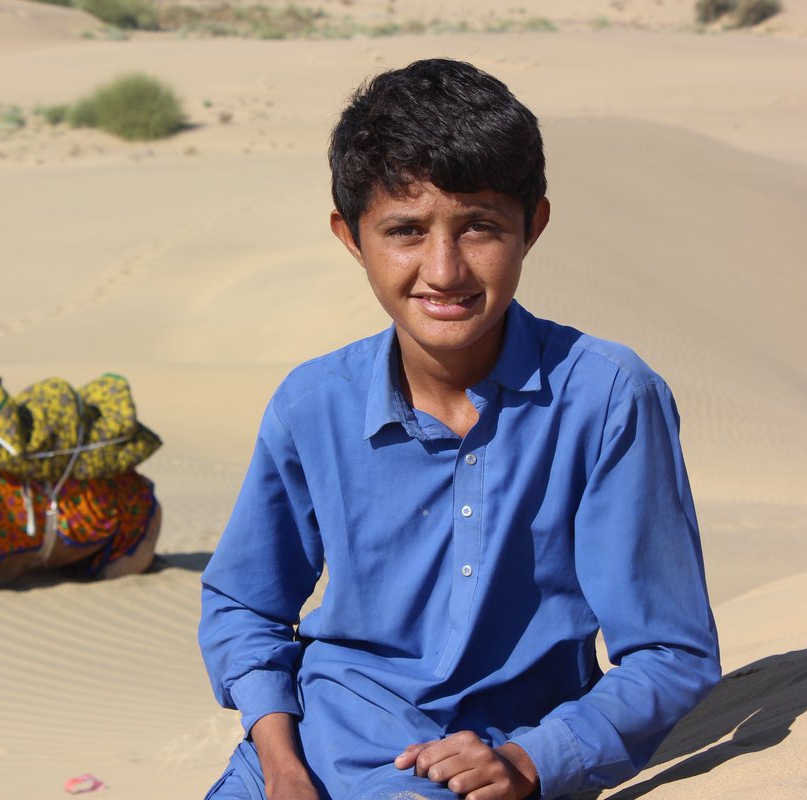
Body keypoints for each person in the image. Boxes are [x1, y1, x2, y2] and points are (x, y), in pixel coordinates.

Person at [197, 58, 720, 800]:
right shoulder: (311, 404)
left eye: (479, 227)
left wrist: (532, 762)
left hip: (477, 771)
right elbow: (245, 606)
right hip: (300, 758)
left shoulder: (606, 399)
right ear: (351, 237)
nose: (443, 270)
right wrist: (280, 767)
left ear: (533, 226)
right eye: (405, 231)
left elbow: (670, 651)